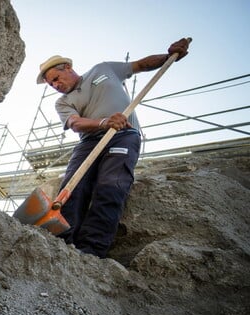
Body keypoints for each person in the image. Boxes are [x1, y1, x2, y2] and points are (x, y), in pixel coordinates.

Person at [36, 38, 190, 258]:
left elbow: (140, 65)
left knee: (110, 187)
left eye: (56, 79)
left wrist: (168, 57)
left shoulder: (103, 69)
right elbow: (75, 124)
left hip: (123, 135)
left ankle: (91, 251)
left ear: (68, 68)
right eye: (51, 84)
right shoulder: (63, 102)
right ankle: (64, 246)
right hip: (89, 142)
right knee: (72, 189)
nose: (56, 86)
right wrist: (103, 122)